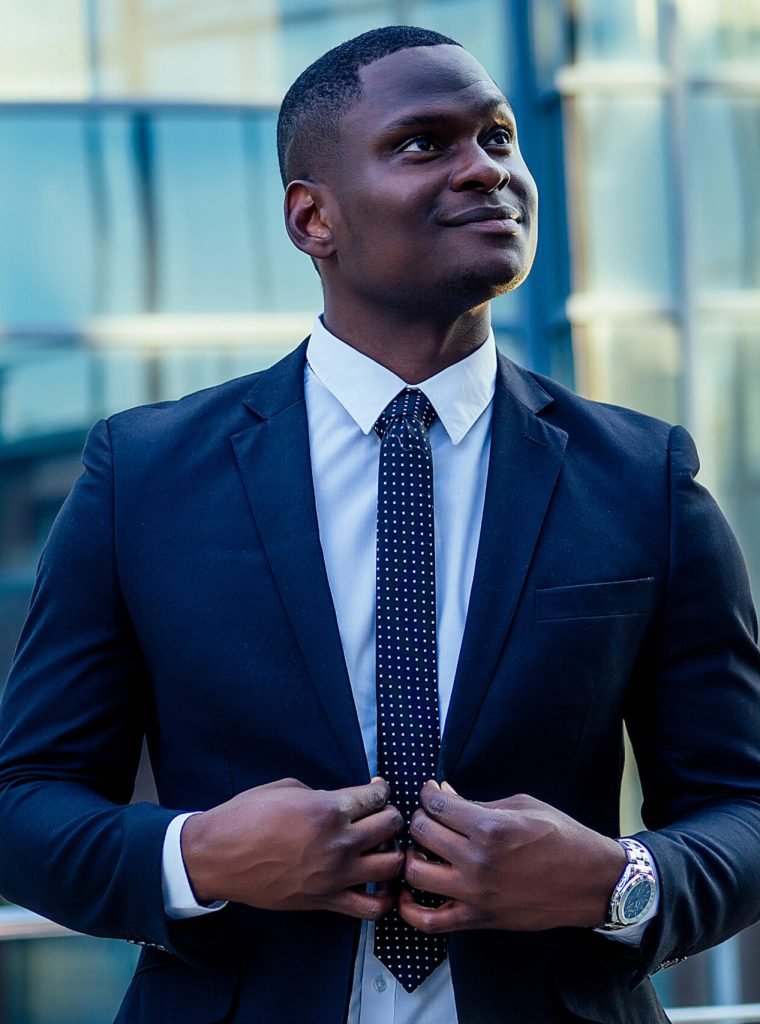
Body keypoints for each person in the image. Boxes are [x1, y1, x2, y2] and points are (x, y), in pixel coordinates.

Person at [1, 24, 760, 1024]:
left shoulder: (641, 476)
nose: (484, 170)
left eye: (496, 137)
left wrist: (614, 879)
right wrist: (200, 854)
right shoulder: (142, 474)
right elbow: (26, 803)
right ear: (311, 217)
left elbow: (741, 806)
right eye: (423, 143)